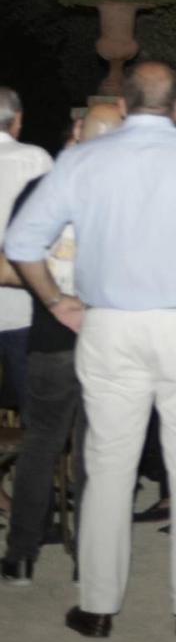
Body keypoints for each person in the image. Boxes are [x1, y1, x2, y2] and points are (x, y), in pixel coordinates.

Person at [5, 62, 176, 638]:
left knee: (106, 466)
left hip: (110, 328)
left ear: (123, 107)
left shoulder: (81, 159)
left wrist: (56, 302)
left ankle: (97, 606)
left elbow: (22, 242)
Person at [0, 103, 122, 587]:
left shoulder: (41, 189)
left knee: (41, 444)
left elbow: (10, 263)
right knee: (98, 449)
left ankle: (21, 557)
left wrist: (53, 294)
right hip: (110, 338)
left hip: (51, 337)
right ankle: (90, 561)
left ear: (76, 131)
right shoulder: (129, 194)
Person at [0, 86, 54, 415]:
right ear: (17, 120)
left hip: (21, 305)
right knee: (37, 418)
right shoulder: (35, 160)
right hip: (23, 307)